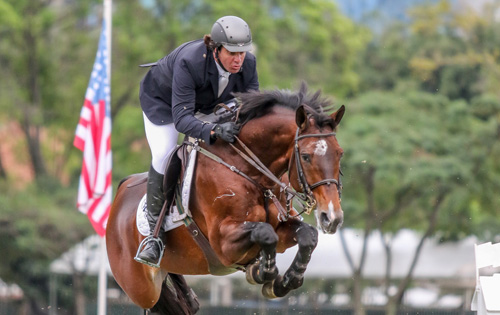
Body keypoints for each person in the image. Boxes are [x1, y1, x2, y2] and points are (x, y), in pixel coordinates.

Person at [135, 16, 259, 267]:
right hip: (165, 105)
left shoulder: (248, 63)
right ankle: (154, 235)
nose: (239, 60)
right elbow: (182, 120)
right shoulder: (189, 62)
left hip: (209, 103)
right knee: (165, 154)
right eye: (232, 53)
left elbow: (252, 107)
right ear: (216, 48)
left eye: (242, 53)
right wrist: (213, 131)